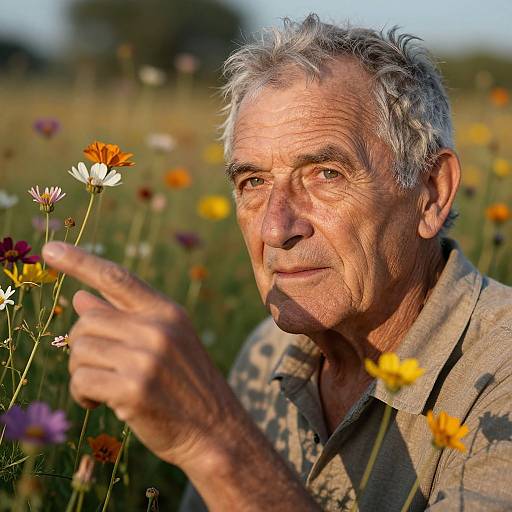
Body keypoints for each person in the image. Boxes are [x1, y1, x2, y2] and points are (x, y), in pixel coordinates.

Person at [42, 14, 512, 512]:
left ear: (431, 192)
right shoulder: (267, 353)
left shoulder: (497, 374)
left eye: (325, 174)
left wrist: (215, 442)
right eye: (254, 183)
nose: (275, 228)